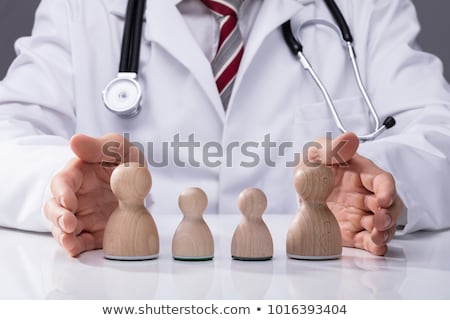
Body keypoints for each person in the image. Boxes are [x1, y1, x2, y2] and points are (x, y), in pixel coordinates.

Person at [0, 0, 449, 258]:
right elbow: (7, 136)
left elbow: (439, 131)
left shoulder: (365, 7)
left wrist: (382, 188)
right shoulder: (79, 7)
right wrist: (60, 186)